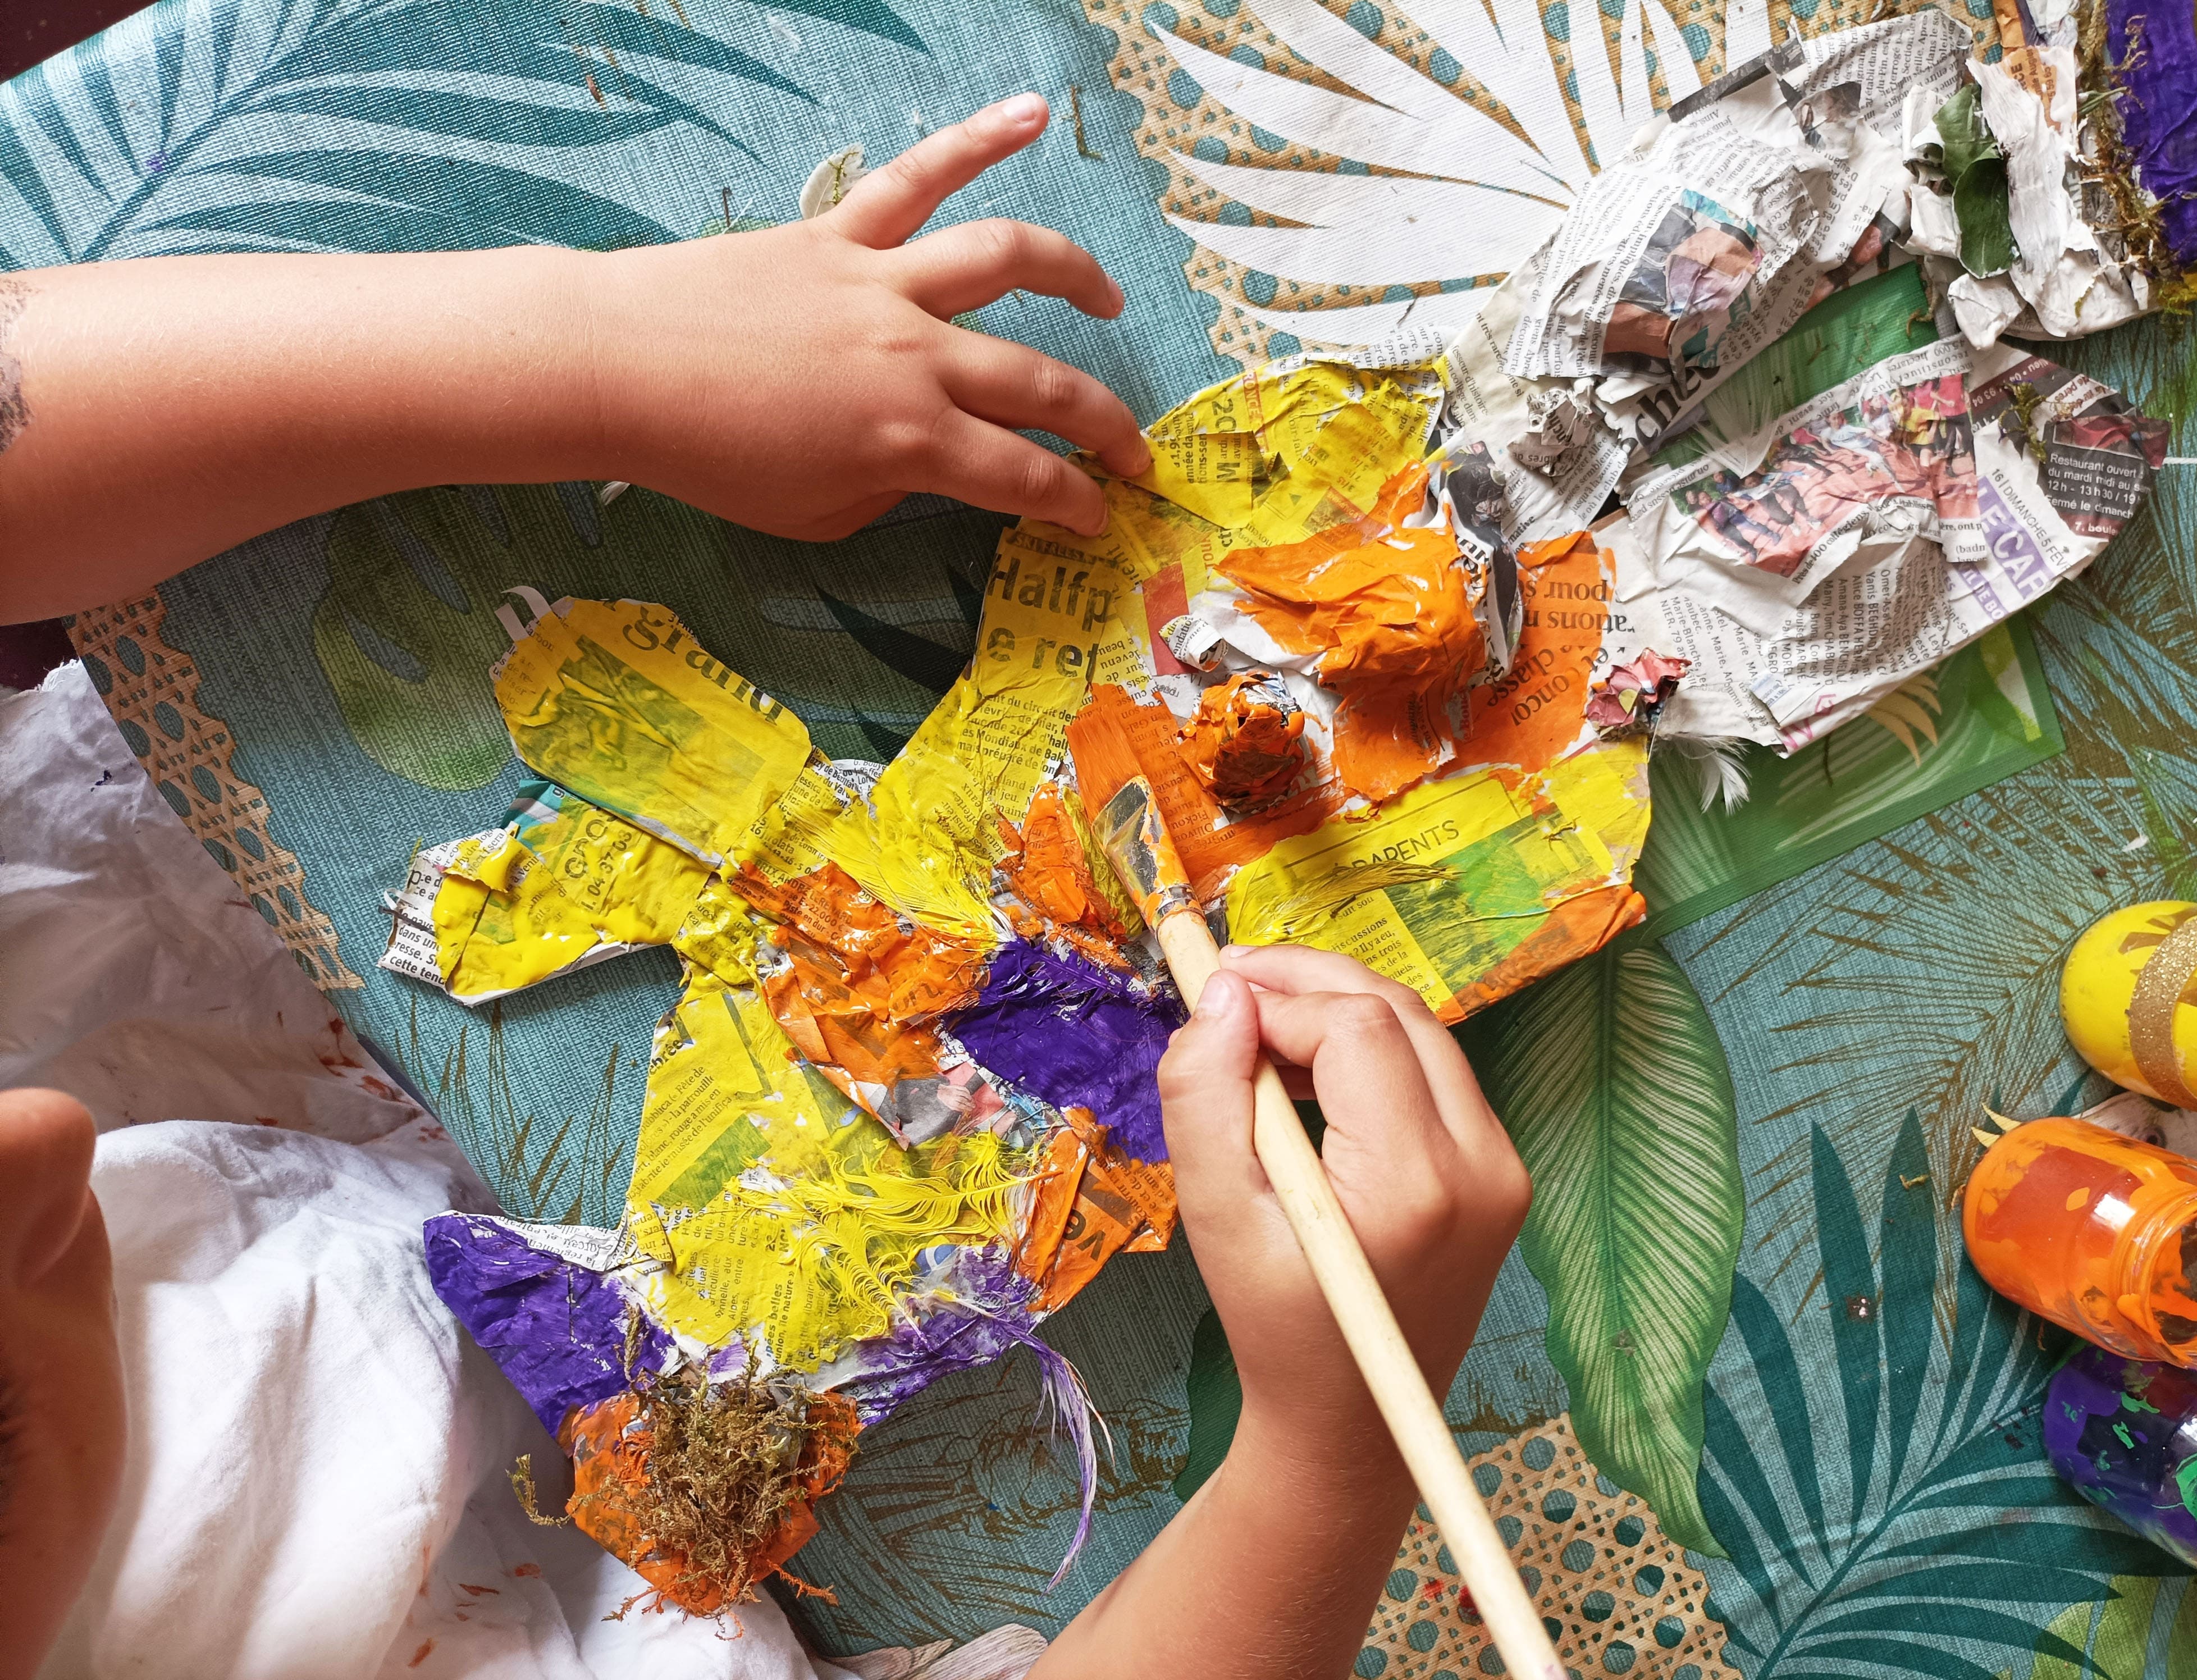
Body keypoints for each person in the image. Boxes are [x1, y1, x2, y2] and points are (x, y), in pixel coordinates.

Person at [0, 92, 1532, 1679]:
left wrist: (599, 349)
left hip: (171, 922)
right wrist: (1325, 1465)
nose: (41, 1149)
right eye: (2, 1432)